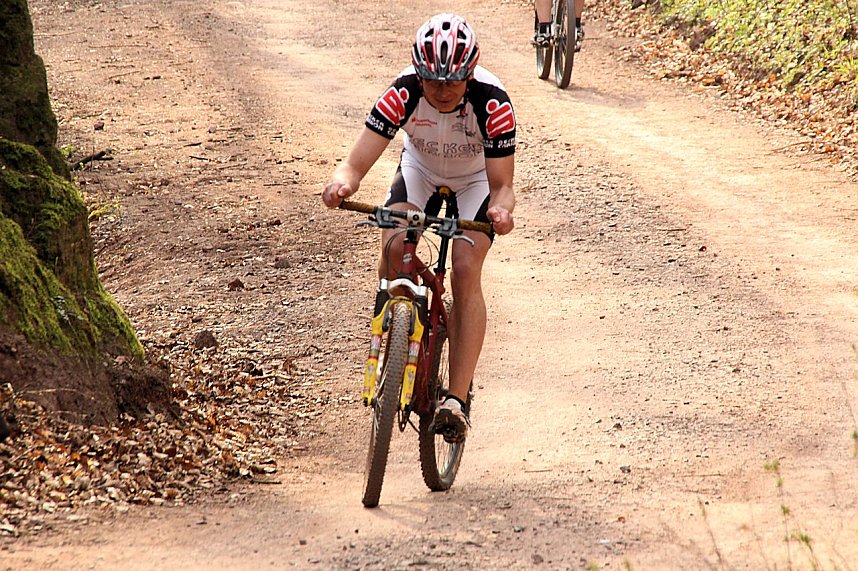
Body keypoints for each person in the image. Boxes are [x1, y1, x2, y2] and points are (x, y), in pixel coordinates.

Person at [322, 13, 516, 444]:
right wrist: (341, 184)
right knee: (394, 248)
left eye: (452, 82)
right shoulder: (403, 91)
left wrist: (501, 212)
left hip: (475, 180)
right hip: (420, 171)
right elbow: (354, 163)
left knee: (465, 267)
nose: (442, 91)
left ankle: (456, 400)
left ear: (469, 75)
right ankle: (394, 329)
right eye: (432, 81)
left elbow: (503, 186)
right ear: (418, 73)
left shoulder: (493, 102)